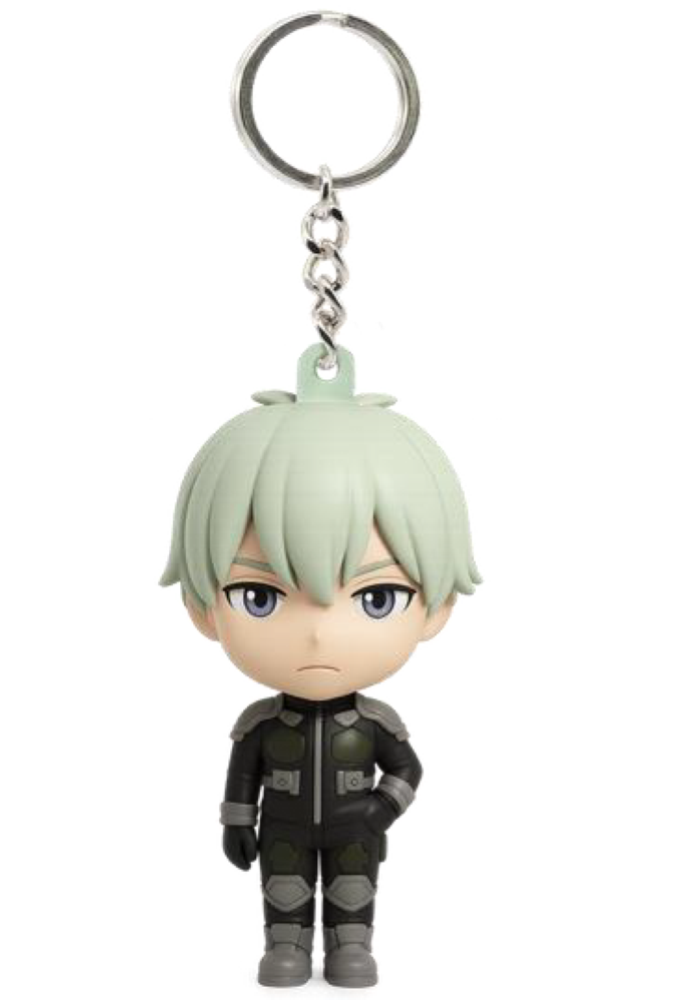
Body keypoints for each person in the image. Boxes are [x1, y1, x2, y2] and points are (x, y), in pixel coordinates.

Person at [161, 346, 480, 987]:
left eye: (376, 597)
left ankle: (349, 950)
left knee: (353, 894)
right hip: (282, 830)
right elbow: (241, 778)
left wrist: (381, 811)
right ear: (202, 608)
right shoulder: (258, 726)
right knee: (282, 890)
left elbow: (409, 769)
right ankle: (285, 949)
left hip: (354, 830)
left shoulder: (376, 724)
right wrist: (235, 823)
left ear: (435, 609)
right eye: (260, 596)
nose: (317, 633)